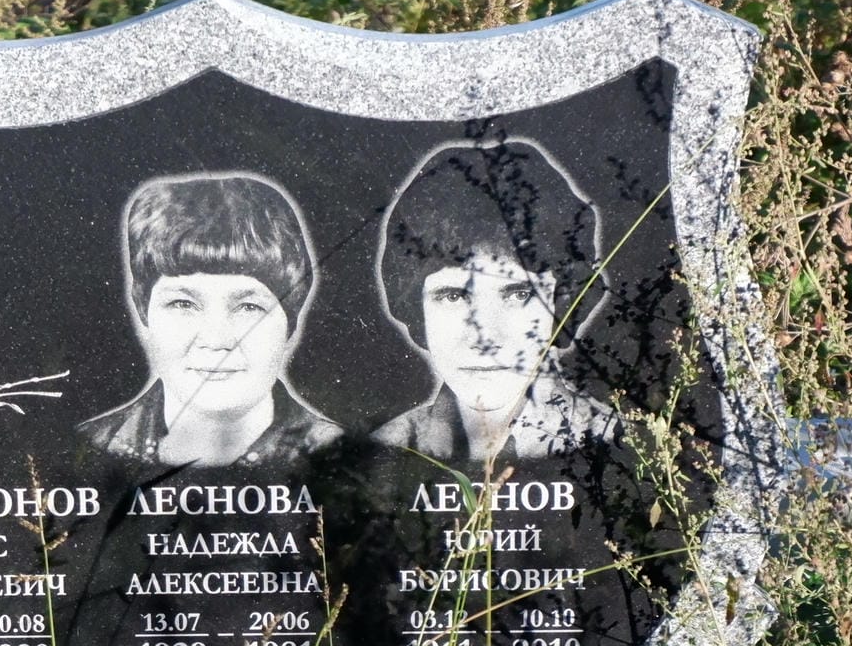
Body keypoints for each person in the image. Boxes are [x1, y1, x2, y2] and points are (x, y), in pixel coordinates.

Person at [374, 138, 618, 463]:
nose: (485, 337)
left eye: (519, 294)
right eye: (453, 296)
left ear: (564, 301)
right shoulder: (384, 451)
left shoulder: (615, 444)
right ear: (416, 309)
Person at [79, 174, 341, 467]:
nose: (216, 341)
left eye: (249, 307)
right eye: (182, 303)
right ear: (144, 310)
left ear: (290, 320)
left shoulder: (351, 460)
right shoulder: (83, 451)